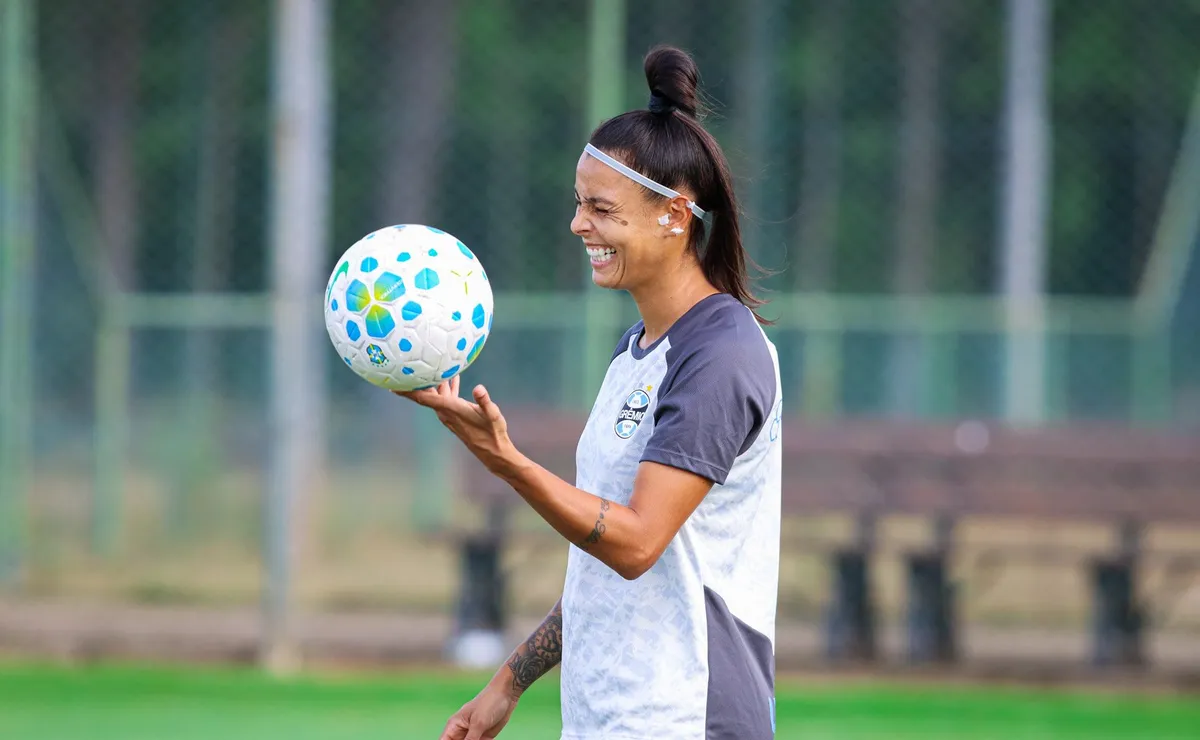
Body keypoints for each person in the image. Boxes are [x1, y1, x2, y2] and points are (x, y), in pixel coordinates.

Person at [399, 44, 782, 740]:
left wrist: (506, 461)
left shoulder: (720, 354)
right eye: (579, 205)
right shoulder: (634, 352)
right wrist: (508, 682)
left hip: (686, 717)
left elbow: (635, 545)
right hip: (609, 716)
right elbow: (602, 571)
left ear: (675, 215)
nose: (579, 225)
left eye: (601, 209)